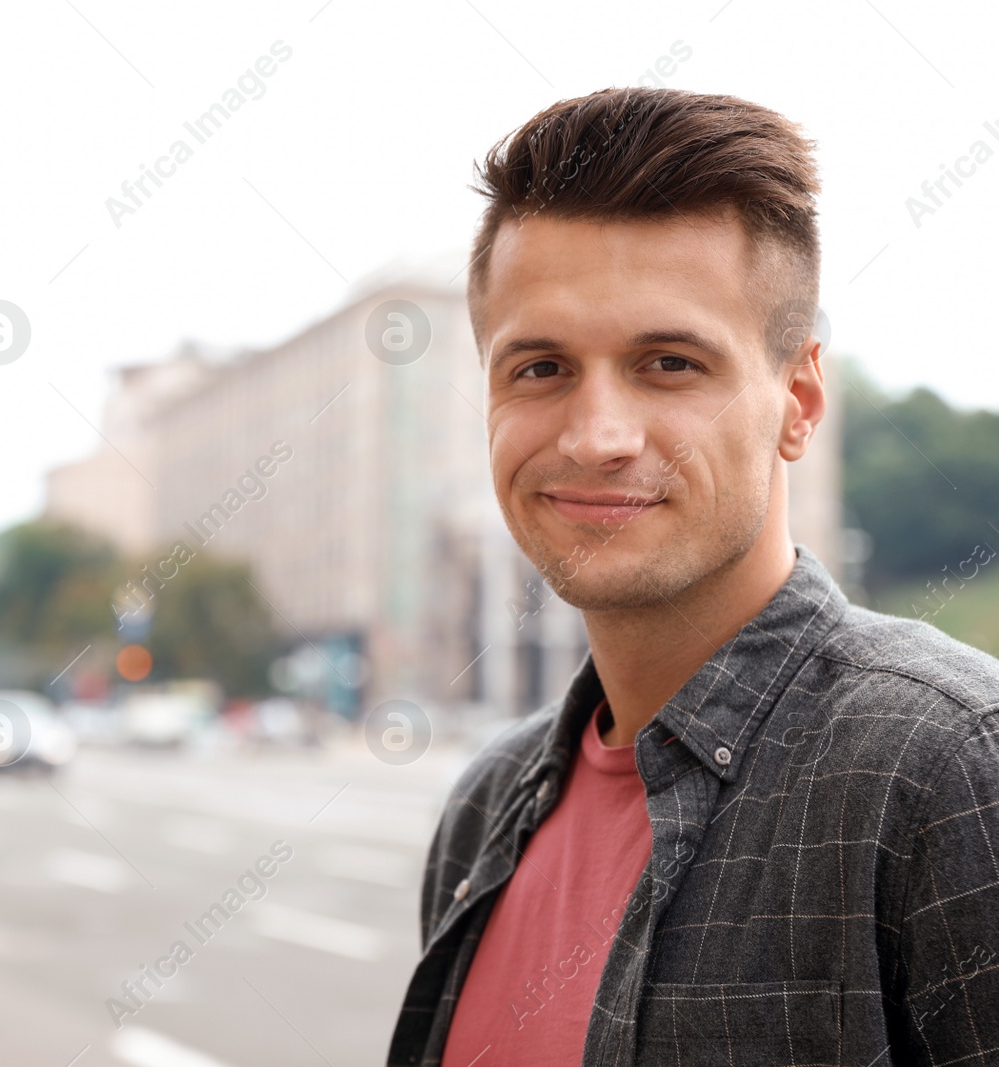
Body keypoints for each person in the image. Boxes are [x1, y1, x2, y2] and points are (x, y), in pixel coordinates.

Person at [388, 86, 999, 1067]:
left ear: (797, 401)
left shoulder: (948, 771)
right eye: (539, 367)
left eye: (668, 362)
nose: (597, 439)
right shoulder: (486, 805)